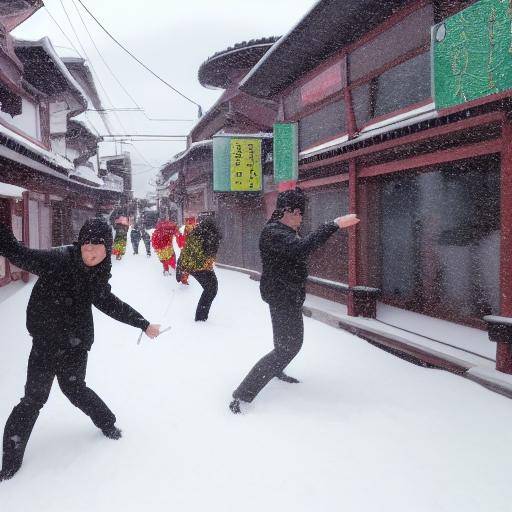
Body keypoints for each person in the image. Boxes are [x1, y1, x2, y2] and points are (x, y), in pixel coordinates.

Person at [0, 218, 160, 481]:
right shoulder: (59, 260)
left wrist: (142, 324)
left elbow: (108, 302)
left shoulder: (98, 273)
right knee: (34, 399)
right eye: (86, 245)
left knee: (74, 388)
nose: (90, 252)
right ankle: (10, 462)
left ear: (107, 248)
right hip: (46, 343)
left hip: (76, 343)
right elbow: (20, 254)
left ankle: (107, 422)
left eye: (97, 246)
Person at [229, 188, 359, 414]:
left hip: (286, 294)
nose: (301, 220)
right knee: (288, 346)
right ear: (289, 211)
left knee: (284, 344)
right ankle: (242, 395)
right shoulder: (274, 233)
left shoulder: (281, 230)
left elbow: (297, 251)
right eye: (300, 215)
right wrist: (334, 224)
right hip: (282, 296)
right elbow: (301, 248)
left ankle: (276, 370)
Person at [176, 216, 222, 321]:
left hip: (195, 266)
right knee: (211, 289)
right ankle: (200, 318)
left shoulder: (198, 233)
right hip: (198, 267)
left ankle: (201, 317)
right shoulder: (206, 236)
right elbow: (204, 255)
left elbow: (188, 252)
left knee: (211, 289)